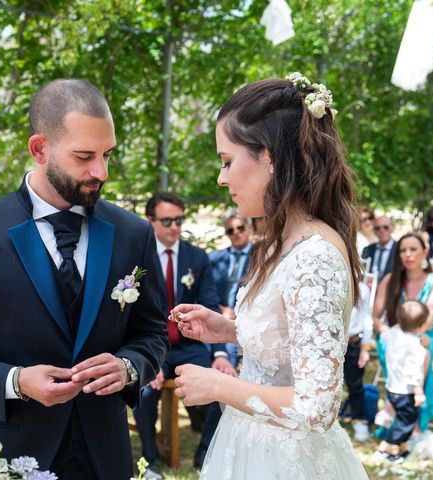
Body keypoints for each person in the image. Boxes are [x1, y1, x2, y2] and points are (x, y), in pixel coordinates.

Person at [0, 79, 169, 480]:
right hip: (6, 457)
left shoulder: (134, 234)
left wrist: (130, 367)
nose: (101, 171)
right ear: (40, 149)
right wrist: (14, 381)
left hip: (106, 458)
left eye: (107, 154)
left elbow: (152, 333)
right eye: (85, 156)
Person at [169, 73, 369, 478]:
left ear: (270, 158)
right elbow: (287, 343)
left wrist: (220, 387)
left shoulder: (314, 257)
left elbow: (318, 405)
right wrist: (228, 329)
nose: (222, 178)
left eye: (227, 161)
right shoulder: (281, 242)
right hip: (249, 447)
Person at [134, 192, 236, 479]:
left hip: (188, 345)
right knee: (143, 389)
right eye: (167, 221)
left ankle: (205, 450)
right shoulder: (136, 255)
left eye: (179, 220)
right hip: (151, 345)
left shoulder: (196, 257)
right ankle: (150, 457)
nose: (175, 227)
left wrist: (219, 354)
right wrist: (142, 358)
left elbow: (210, 305)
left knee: (224, 383)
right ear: (150, 221)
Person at [373, 232, 433, 433]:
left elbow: (428, 319)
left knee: (422, 350)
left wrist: (408, 337)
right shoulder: (390, 280)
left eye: (413, 249)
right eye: (403, 250)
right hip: (394, 334)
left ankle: (412, 414)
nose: (408, 254)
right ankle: (397, 404)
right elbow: (376, 316)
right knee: (389, 343)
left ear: (425, 252)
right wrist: (383, 329)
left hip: (424, 333)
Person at [374, 301, 430, 464]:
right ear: (421, 326)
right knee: (407, 421)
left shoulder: (393, 336)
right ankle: (387, 447)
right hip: (407, 391)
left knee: (404, 418)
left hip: (393, 388)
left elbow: (385, 335)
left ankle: (402, 447)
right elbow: (414, 372)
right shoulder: (416, 347)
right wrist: (419, 392)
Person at [209, 210, 253, 367]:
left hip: (246, 323)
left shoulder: (263, 256)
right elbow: (206, 291)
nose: (236, 233)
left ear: (249, 228)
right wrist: (221, 310)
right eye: (230, 230)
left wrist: (238, 314)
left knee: (229, 352)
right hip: (216, 317)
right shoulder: (214, 258)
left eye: (240, 227)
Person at [343, 281, 373, 442]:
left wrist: (365, 349)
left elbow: (366, 318)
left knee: (355, 384)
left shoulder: (361, 289)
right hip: (329, 343)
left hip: (352, 342)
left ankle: (359, 419)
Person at [362, 215, 396, 282]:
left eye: (385, 227)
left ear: (392, 228)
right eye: (378, 228)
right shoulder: (367, 250)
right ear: (374, 230)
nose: (382, 230)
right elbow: (362, 273)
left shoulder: (400, 249)